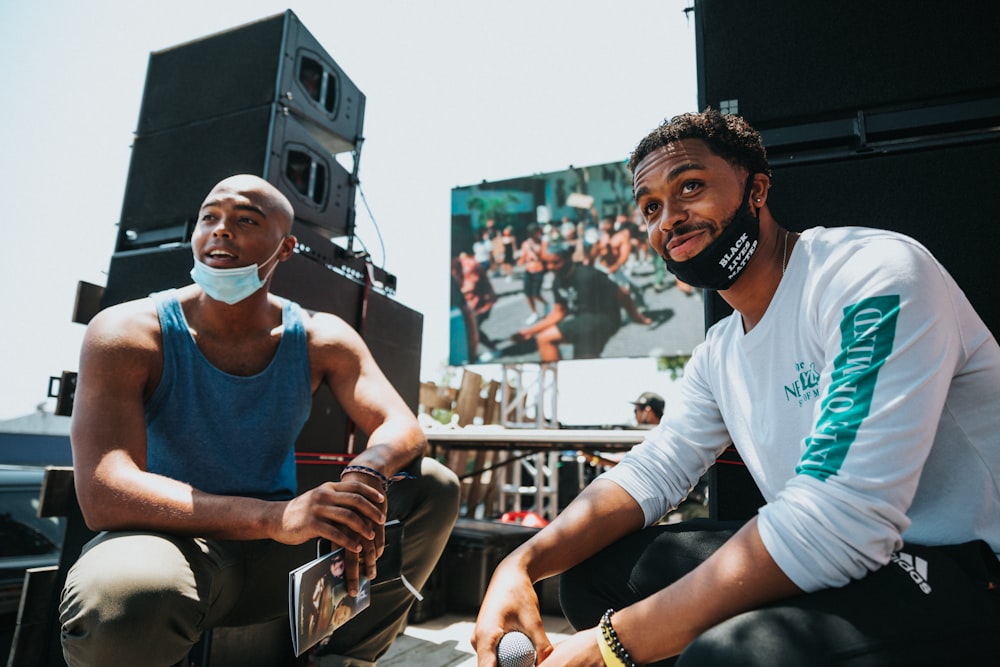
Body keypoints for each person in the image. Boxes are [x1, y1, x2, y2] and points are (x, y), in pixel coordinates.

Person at [473, 109, 1000, 665]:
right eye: (650, 207)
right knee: (593, 579)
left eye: (690, 187)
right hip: (852, 558)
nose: (669, 219)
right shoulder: (718, 351)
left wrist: (608, 647)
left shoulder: (871, 271)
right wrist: (521, 564)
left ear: (757, 190)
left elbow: (841, 519)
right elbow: (651, 472)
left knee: (725, 656)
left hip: (970, 566)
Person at [60, 174, 461, 667]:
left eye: (245, 219)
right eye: (209, 217)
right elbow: (103, 492)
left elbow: (403, 426)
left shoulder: (318, 335)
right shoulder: (128, 331)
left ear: (286, 247)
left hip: (279, 556)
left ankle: (347, 662)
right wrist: (273, 518)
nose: (220, 230)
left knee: (430, 485)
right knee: (122, 598)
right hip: (175, 547)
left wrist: (364, 473)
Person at [513, 241, 626, 362]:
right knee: (583, 361)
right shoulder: (558, 281)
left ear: (567, 259)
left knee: (545, 339)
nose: (550, 267)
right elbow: (559, 312)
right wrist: (530, 331)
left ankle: (557, 378)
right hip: (584, 321)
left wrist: (637, 316)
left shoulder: (587, 274)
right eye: (547, 263)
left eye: (555, 262)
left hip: (602, 319)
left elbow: (622, 293)